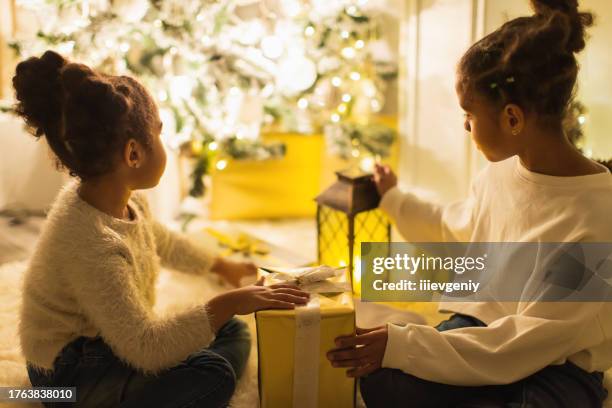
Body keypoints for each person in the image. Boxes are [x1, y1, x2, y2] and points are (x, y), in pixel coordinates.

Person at [327, 0, 612, 406]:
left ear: (513, 119)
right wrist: (393, 198)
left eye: (469, 114)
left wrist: (407, 345)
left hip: (554, 366)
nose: (465, 126)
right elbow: (451, 227)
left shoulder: (596, 219)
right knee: (379, 378)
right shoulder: (499, 175)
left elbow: (527, 344)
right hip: (479, 329)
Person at [13, 50, 310, 407]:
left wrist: (222, 267)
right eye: (160, 133)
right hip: (68, 373)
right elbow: (146, 347)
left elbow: (161, 240)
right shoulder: (92, 242)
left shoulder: (124, 198)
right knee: (212, 372)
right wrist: (232, 301)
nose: (165, 143)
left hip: (110, 343)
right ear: (133, 155)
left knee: (230, 328)